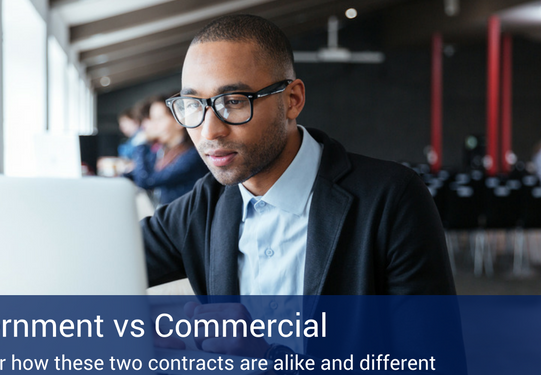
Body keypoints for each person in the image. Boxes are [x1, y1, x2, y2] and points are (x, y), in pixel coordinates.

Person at [141, 15, 454, 296]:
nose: (209, 131)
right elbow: (99, 258)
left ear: (293, 99)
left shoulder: (390, 200)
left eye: (234, 102)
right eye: (193, 105)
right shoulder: (203, 207)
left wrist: (266, 357)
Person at [130, 94, 208, 206]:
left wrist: (141, 143)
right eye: (153, 119)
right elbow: (143, 172)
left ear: (178, 121)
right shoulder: (164, 150)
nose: (153, 126)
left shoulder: (192, 154)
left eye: (159, 119)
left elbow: (146, 181)